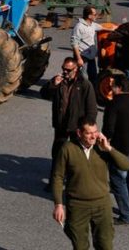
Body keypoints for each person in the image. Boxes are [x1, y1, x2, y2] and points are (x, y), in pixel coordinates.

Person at [52, 119, 129, 250]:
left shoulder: (102, 148)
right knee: (79, 246)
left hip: (102, 205)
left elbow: (126, 165)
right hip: (77, 206)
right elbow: (58, 177)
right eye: (89, 133)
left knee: (105, 245)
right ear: (79, 133)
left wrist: (109, 148)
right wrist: (58, 205)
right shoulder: (68, 149)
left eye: (95, 132)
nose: (94, 136)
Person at [43, 57, 97, 185]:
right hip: (61, 124)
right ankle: (54, 182)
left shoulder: (84, 84)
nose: (65, 72)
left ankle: (74, 183)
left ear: (76, 69)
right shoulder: (59, 81)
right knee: (57, 154)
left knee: (76, 156)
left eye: (68, 70)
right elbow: (44, 94)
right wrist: (53, 85)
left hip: (76, 127)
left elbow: (91, 109)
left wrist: (87, 129)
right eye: (63, 69)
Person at [102, 76, 129, 225]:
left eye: (113, 86)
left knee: (118, 181)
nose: (111, 88)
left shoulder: (114, 104)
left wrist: (105, 144)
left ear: (118, 88)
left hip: (120, 149)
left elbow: (108, 128)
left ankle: (126, 215)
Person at [71, 6, 104, 85]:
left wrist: (116, 28)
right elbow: (74, 44)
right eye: (95, 14)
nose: (97, 16)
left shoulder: (92, 25)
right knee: (83, 78)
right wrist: (79, 59)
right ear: (89, 16)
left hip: (91, 57)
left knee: (93, 77)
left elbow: (103, 27)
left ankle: (92, 94)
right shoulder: (79, 26)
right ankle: (81, 95)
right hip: (82, 57)